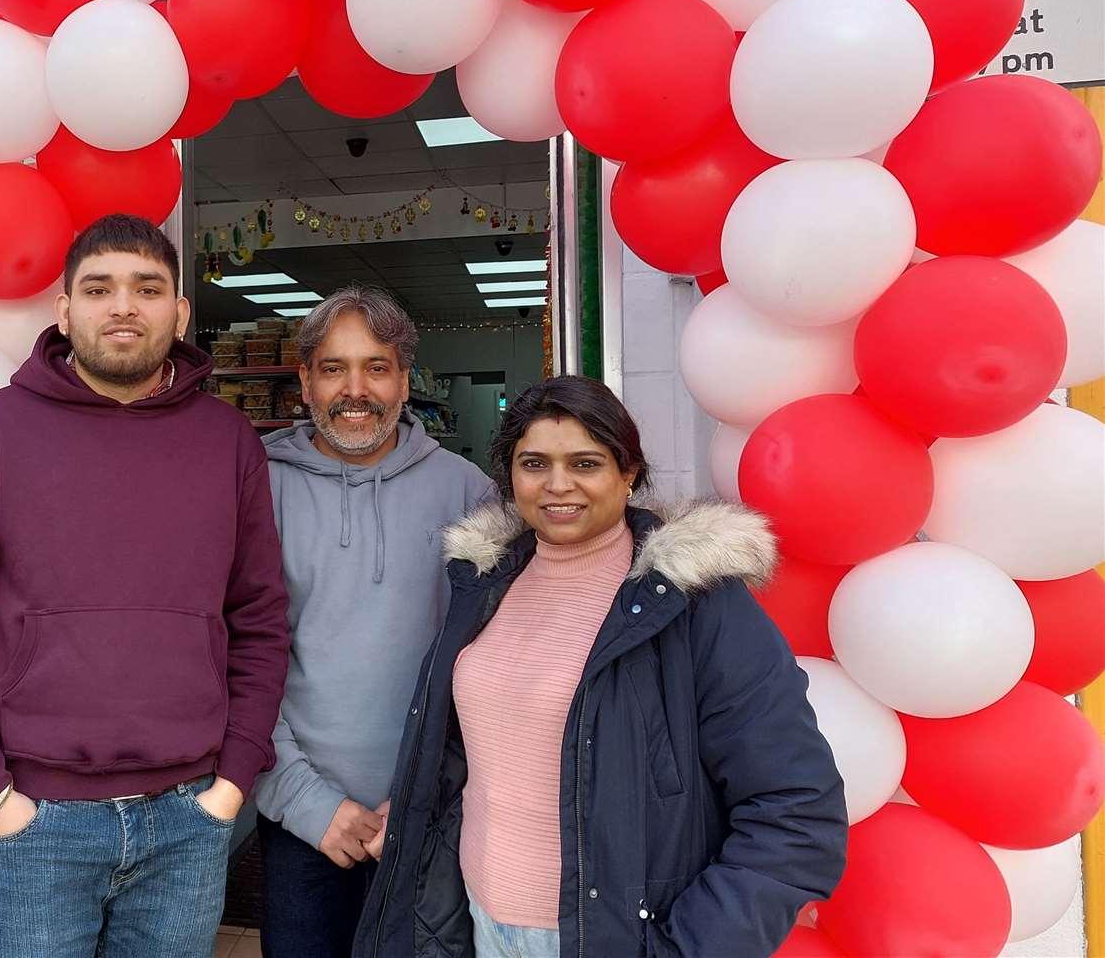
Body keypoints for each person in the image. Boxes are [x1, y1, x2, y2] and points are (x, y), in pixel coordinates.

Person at [0, 214, 291, 958]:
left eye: (148, 288)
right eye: (99, 287)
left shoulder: (227, 440)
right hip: (38, 822)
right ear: (65, 310)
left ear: (178, 313)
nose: (123, 306)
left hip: (187, 820)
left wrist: (232, 781)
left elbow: (261, 619)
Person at [356, 376, 847, 958]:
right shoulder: (484, 584)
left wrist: (687, 949)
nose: (558, 485)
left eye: (585, 462)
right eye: (534, 462)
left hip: (614, 938)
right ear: (509, 476)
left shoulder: (692, 601)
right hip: (477, 920)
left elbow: (796, 812)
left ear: (628, 472)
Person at [254, 285, 497, 958]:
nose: (354, 389)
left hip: (432, 818)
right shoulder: (254, 488)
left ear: (405, 380)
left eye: (377, 367)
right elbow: (234, 661)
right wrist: (305, 802)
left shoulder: (469, 494)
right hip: (300, 816)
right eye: (334, 367)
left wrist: (426, 796)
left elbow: (486, 669)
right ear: (304, 381)